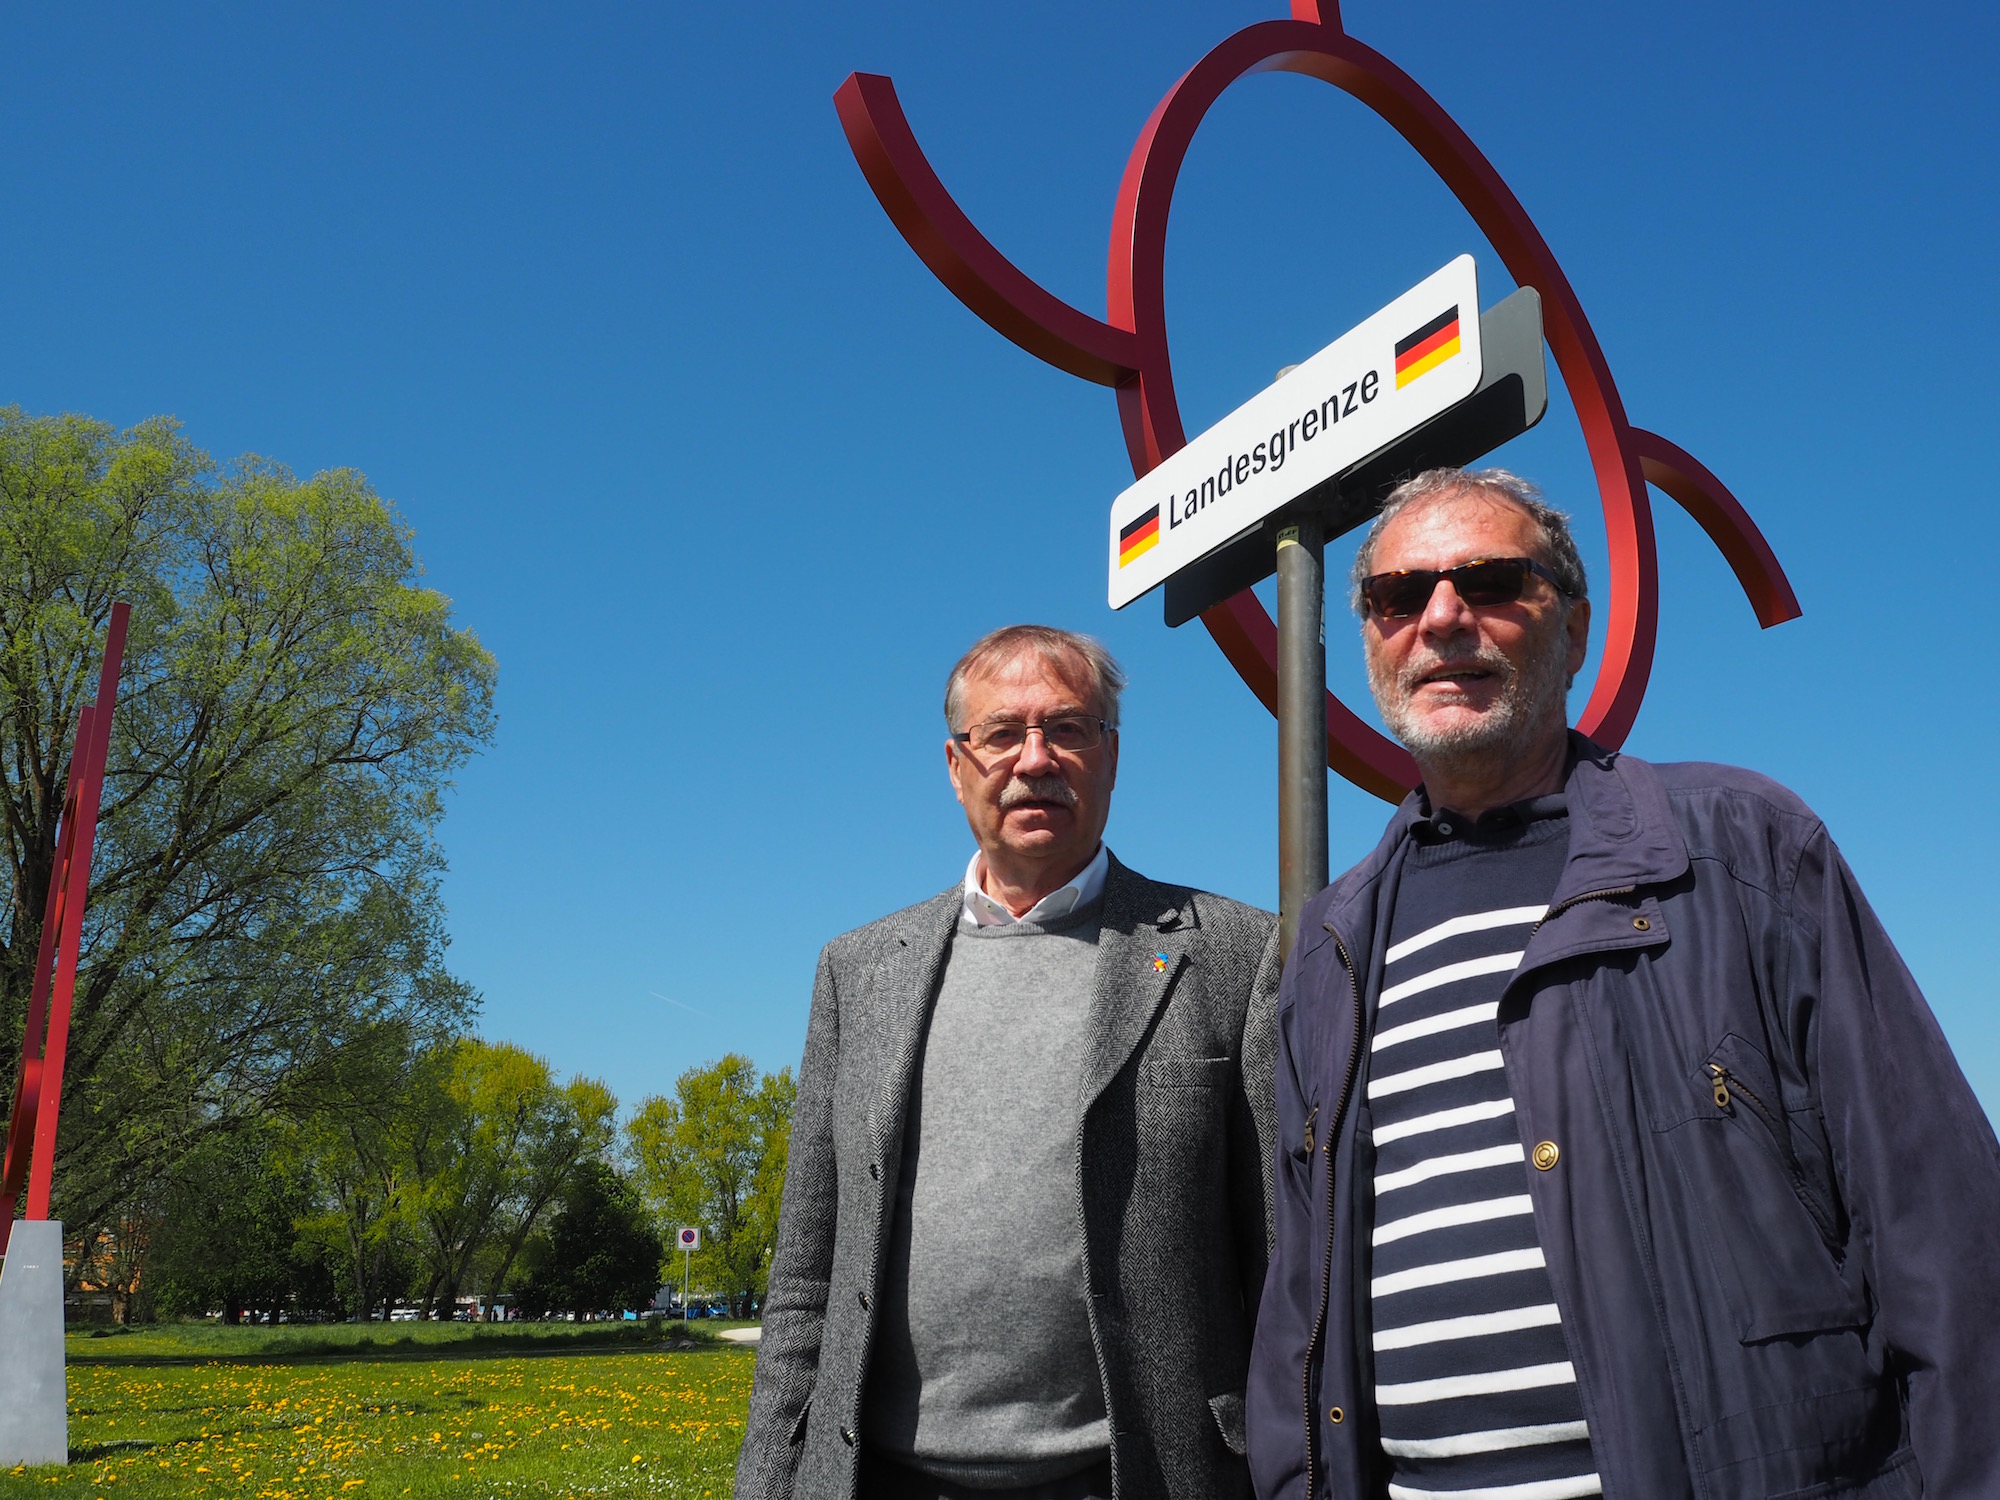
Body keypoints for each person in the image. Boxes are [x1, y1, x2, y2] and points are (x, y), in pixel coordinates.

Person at [1247, 468, 2000, 1499]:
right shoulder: (1332, 942)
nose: (1440, 618)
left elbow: (1937, 1231)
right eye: (1396, 595)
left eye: (1490, 581)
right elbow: (1300, 1303)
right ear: (1370, 640)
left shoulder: (1739, 849)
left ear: (1573, 623)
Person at [738, 625, 1283, 1500]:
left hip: (1141, 1475)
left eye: (1068, 728)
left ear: (1111, 755)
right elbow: (807, 1273)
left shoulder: (1236, 953)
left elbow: (1278, 1258)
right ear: (956, 766)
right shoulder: (858, 969)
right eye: (1002, 734)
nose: (1036, 760)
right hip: (883, 1479)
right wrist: (767, 1481)